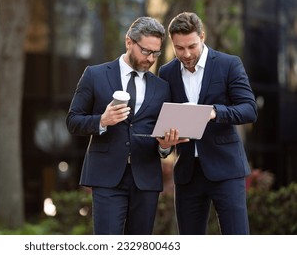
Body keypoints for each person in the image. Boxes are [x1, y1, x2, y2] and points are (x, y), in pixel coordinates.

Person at [66, 17, 187, 235]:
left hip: (146, 179)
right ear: (129, 42)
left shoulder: (162, 88)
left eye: (156, 53)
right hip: (107, 177)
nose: (150, 58)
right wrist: (102, 121)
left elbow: (164, 136)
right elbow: (73, 121)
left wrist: (165, 145)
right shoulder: (95, 75)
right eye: (145, 51)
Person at [158, 12, 258, 235]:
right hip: (187, 174)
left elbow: (249, 110)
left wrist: (214, 112)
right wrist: (165, 143)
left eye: (192, 46)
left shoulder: (229, 64)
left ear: (202, 36)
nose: (186, 54)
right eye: (179, 48)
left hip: (226, 169)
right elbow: (161, 117)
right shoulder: (166, 72)